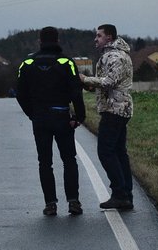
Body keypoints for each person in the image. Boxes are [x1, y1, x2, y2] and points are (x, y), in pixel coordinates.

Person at [15, 26, 86, 216]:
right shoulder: (66, 62)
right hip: (62, 116)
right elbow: (75, 91)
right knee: (69, 160)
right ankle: (73, 202)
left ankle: (50, 204)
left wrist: (31, 113)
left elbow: (19, 93)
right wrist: (79, 116)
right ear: (58, 41)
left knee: (45, 162)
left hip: (40, 119)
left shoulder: (27, 63)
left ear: (40, 41)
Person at [80, 24, 134, 211]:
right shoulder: (112, 54)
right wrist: (90, 85)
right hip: (117, 108)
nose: (96, 39)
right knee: (119, 152)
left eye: (99, 36)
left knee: (106, 151)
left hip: (115, 109)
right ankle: (126, 195)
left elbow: (110, 82)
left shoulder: (115, 56)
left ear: (109, 37)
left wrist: (85, 79)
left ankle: (120, 194)